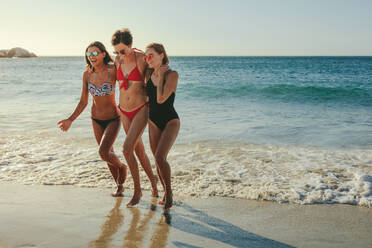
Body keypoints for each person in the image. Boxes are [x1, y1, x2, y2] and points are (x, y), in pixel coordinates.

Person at [58, 41, 127, 197]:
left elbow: (128, 84)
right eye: (89, 54)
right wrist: (70, 120)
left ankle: (122, 167)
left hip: (113, 119)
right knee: (108, 154)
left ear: (103, 54)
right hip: (95, 119)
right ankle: (119, 186)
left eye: (95, 53)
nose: (91, 56)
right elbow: (83, 101)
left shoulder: (112, 70)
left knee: (103, 152)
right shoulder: (87, 74)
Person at [112, 28, 158, 207]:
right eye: (116, 51)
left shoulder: (141, 59)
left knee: (126, 149)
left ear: (131, 45)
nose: (119, 54)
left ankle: (138, 191)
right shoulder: (117, 61)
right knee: (138, 151)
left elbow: (156, 72)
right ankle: (154, 183)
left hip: (140, 109)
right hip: (124, 110)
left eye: (122, 50)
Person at [144, 43, 180, 210]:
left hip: (170, 121)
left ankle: (170, 193)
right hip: (153, 122)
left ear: (162, 55)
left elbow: (160, 99)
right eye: (146, 56)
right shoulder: (148, 75)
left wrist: (160, 78)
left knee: (160, 157)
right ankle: (165, 192)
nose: (147, 59)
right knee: (158, 161)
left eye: (151, 55)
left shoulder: (172, 75)